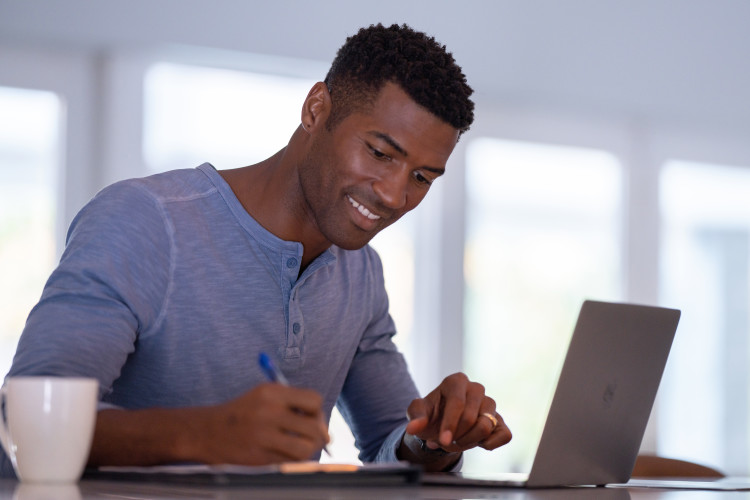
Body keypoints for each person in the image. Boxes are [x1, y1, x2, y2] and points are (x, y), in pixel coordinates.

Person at [1, 23, 511, 477]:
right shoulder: (146, 221)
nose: (396, 195)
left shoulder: (361, 276)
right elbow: (22, 423)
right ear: (316, 109)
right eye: (380, 153)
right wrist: (202, 435)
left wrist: (432, 438)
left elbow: (389, 446)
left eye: (422, 177)